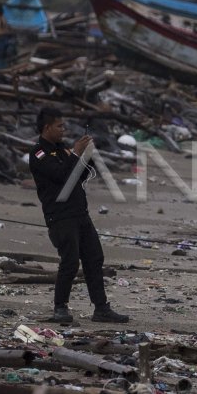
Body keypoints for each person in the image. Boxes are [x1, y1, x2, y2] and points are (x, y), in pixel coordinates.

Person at [29, 107, 129, 324]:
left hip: (80, 213)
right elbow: (61, 175)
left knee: (94, 258)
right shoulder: (39, 153)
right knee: (70, 261)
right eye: (59, 126)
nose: (63, 129)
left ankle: (101, 308)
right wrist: (74, 154)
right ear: (47, 127)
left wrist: (87, 156)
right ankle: (60, 308)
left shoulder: (63, 150)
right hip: (60, 216)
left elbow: (80, 175)